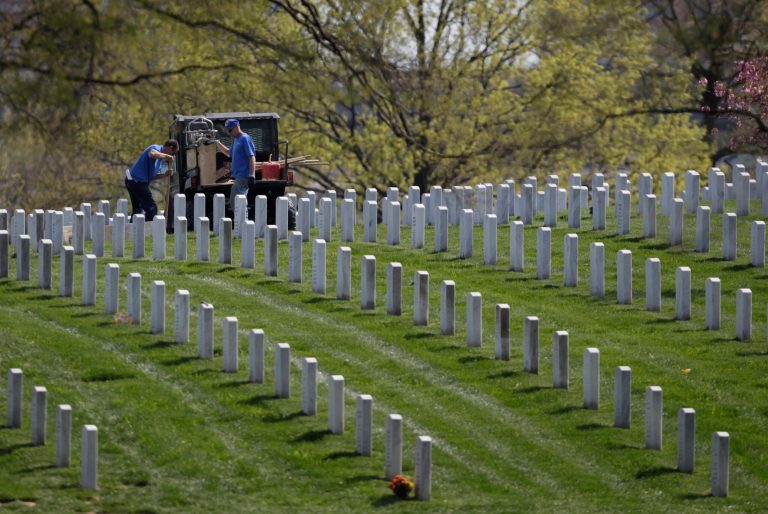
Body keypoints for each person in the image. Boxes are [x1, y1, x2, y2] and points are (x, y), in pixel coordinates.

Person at [125, 139, 178, 222]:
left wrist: (165, 175)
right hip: (136, 182)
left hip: (135, 182)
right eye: (173, 152)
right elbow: (152, 154)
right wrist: (167, 156)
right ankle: (148, 231)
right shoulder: (155, 148)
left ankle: (133, 231)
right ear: (170, 147)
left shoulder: (159, 160)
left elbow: (152, 176)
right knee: (151, 208)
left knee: (137, 209)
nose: (172, 154)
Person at [214, 118, 256, 207]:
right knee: (238, 203)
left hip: (243, 176)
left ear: (237, 127)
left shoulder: (245, 138)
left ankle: (242, 220)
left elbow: (251, 157)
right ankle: (242, 220)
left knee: (236, 203)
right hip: (238, 177)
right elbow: (229, 153)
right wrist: (218, 144)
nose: (229, 133)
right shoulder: (236, 140)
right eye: (227, 131)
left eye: (230, 130)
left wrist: (252, 175)